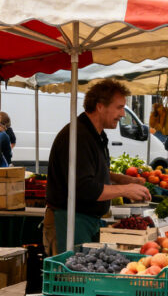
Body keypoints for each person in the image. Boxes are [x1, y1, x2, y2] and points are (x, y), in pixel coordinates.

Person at [44, 80, 150, 255]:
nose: (123, 114)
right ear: (100, 106)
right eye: (119, 107)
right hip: (70, 220)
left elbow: (87, 171)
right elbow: (86, 188)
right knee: (73, 279)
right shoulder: (78, 136)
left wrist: (118, 178)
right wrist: (125, 189)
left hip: (85, 219)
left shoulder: (94, 134)